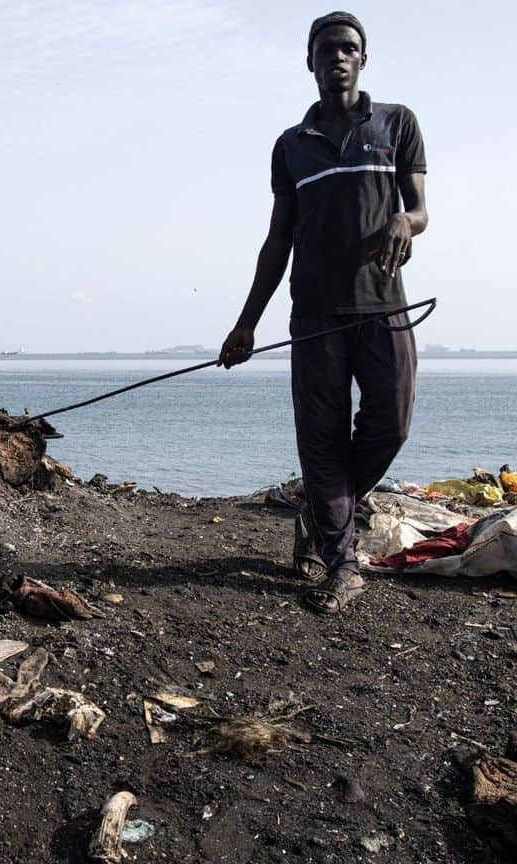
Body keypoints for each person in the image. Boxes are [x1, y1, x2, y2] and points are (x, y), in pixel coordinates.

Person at [219, 11, 428, 614]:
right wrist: (246, 322)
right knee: (321, 440)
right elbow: (277, 240)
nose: (338, 56)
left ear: (363, 59)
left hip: (383, 305)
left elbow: (419, 210)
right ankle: (342, 563)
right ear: (310, 63)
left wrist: (403, 221)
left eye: (349, 48)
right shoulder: (291, 146)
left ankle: (319, 511)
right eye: (327, 49)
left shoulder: (397, 124)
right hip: (312, 315)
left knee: (390, 424)